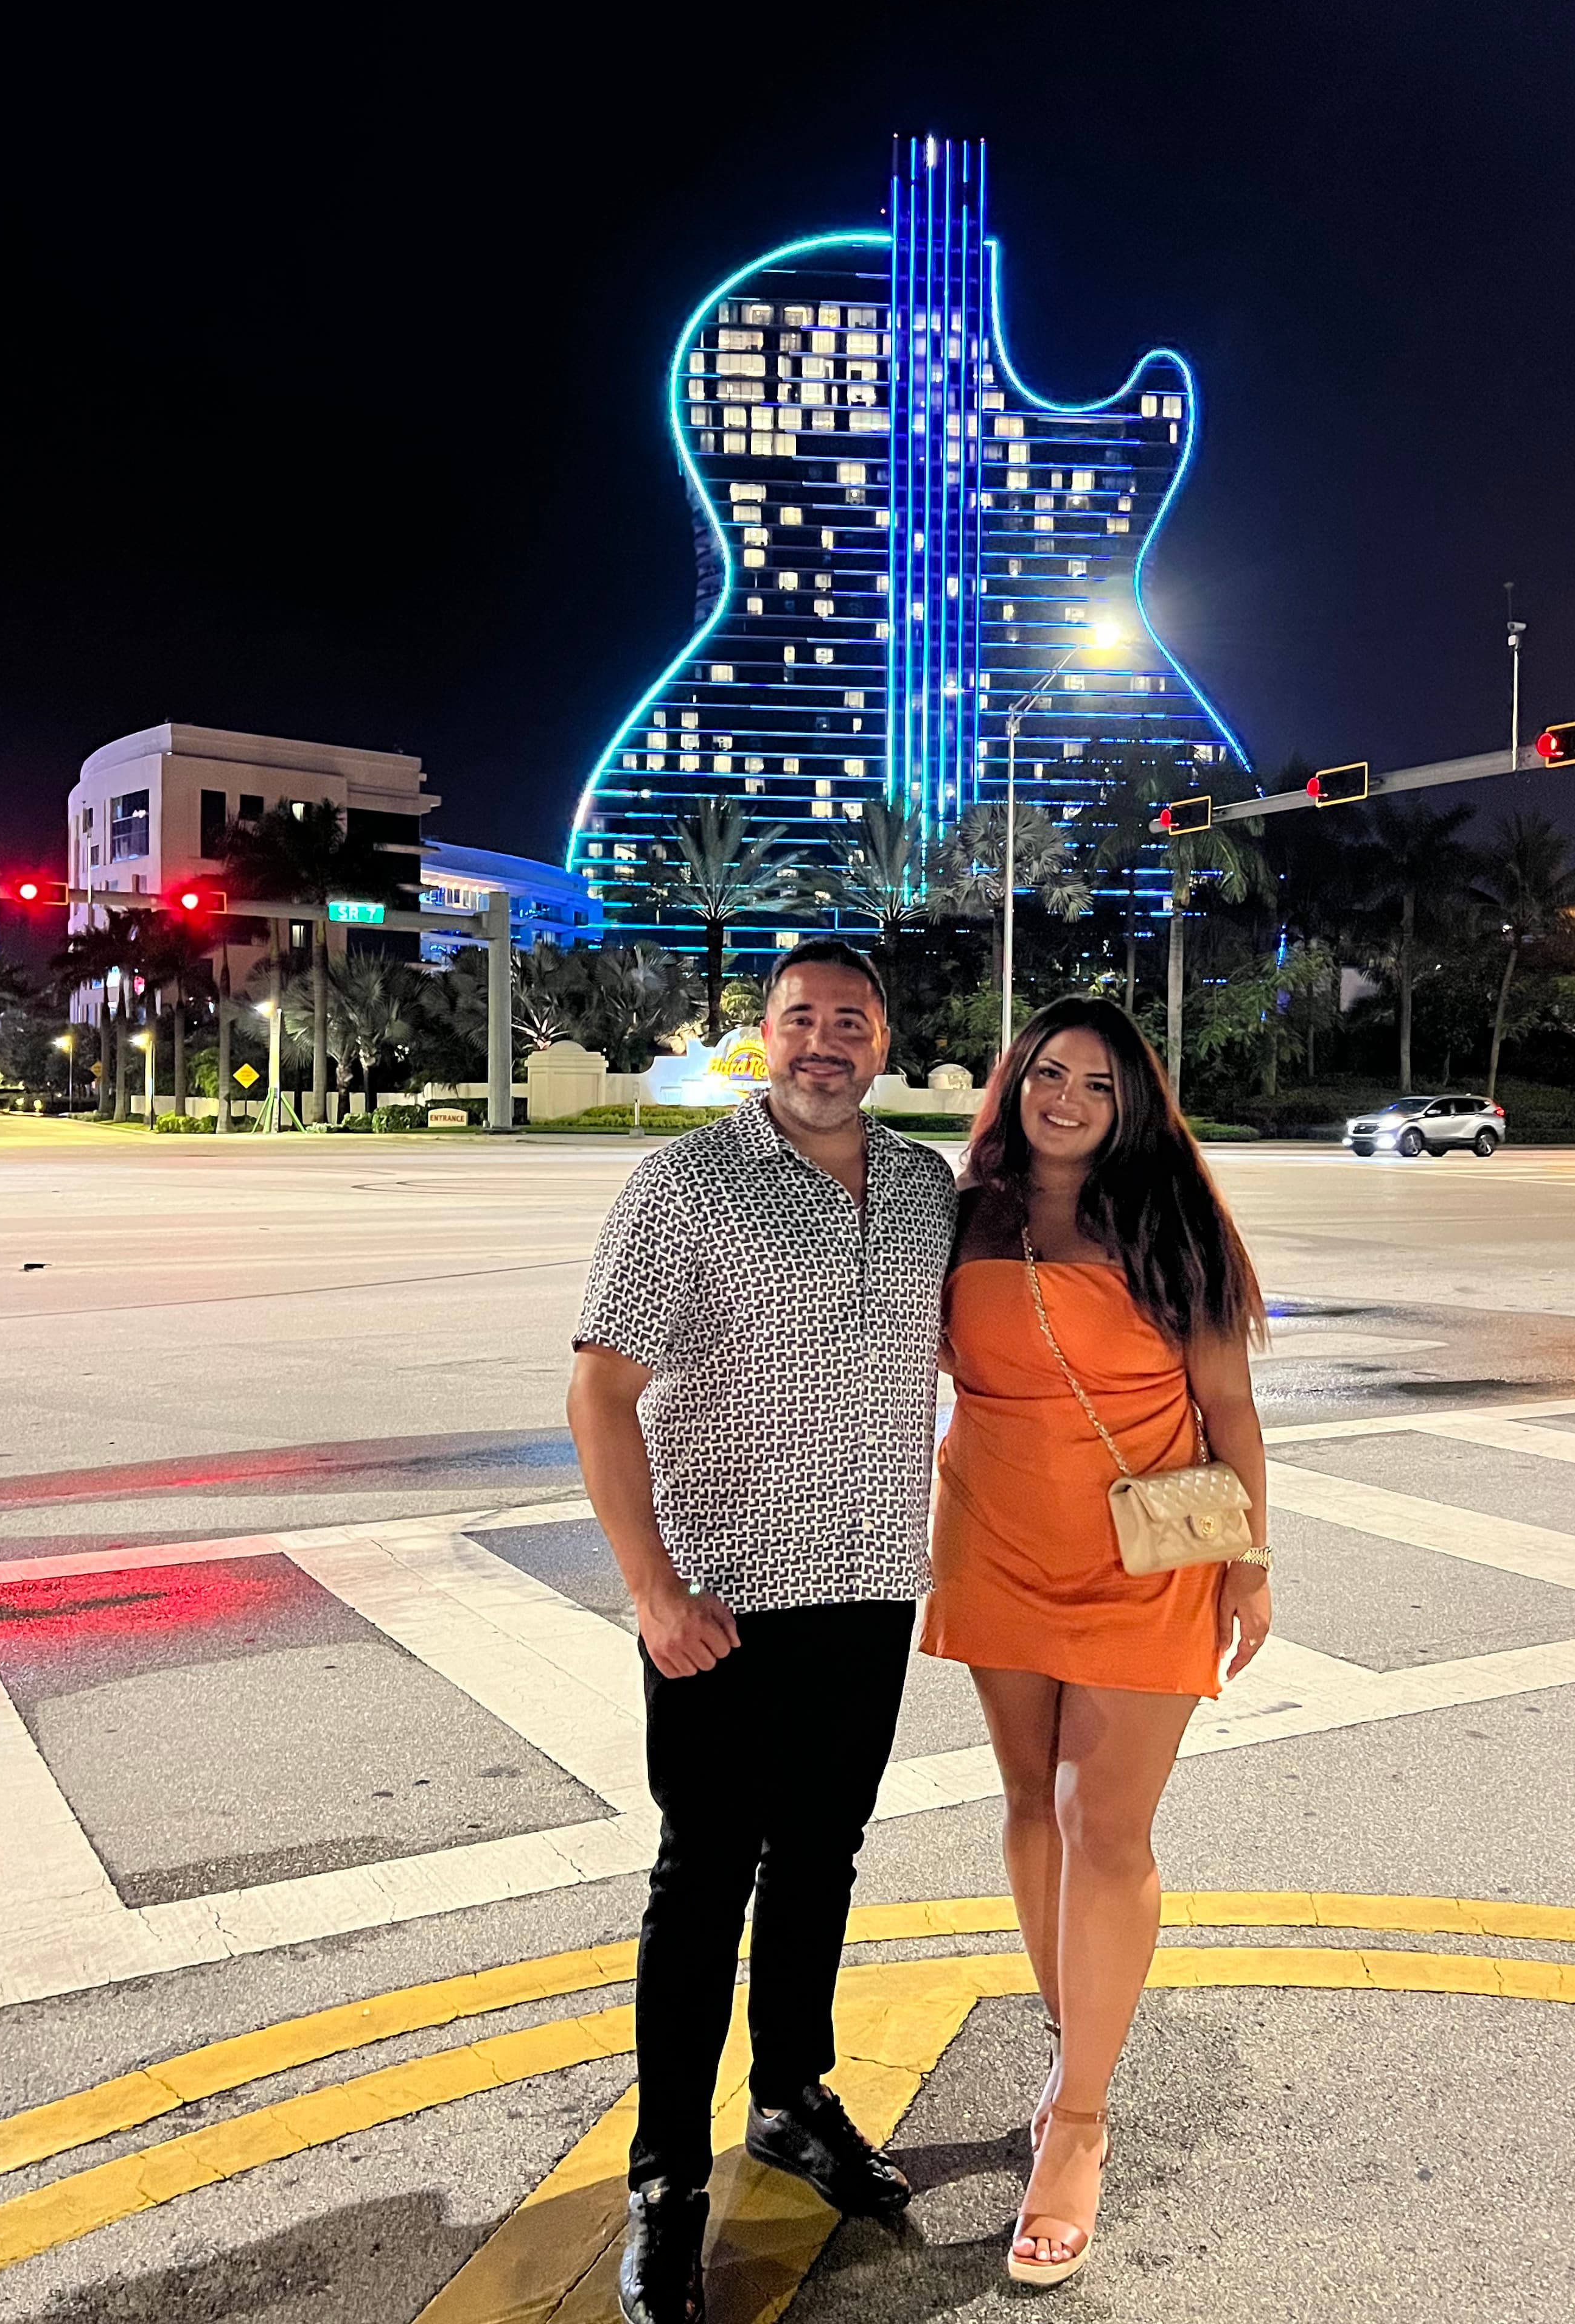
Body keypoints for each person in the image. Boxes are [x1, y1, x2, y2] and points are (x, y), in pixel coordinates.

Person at [566, 938, 957, 2324]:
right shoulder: (685, 1185)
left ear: (885, 1038)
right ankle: (666, 2178)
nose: (825, 1043)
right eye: (801, 1019)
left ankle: (791, 2097)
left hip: (868, 1586)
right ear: (763, 1034)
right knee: (702, 1882)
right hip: (722, 1603)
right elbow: (601, 1395)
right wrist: (652, 1587)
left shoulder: (925, 1189)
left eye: (851, 1021)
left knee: (824, 1860)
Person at [919, 995, 1271, 2290]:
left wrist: (1253, 1565)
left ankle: (1079, 2124)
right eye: (1048, 1073)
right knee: (1026, 1800)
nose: (1066, 1099)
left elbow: (1230, 1407)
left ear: (1134, 1110)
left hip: (1147, 1553)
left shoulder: (1173, 1223)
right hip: (997, 1536)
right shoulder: (964, 1216)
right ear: (1013, 1082)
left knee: (1102, 1825)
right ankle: (1077, 2037)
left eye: (1098, 1086)